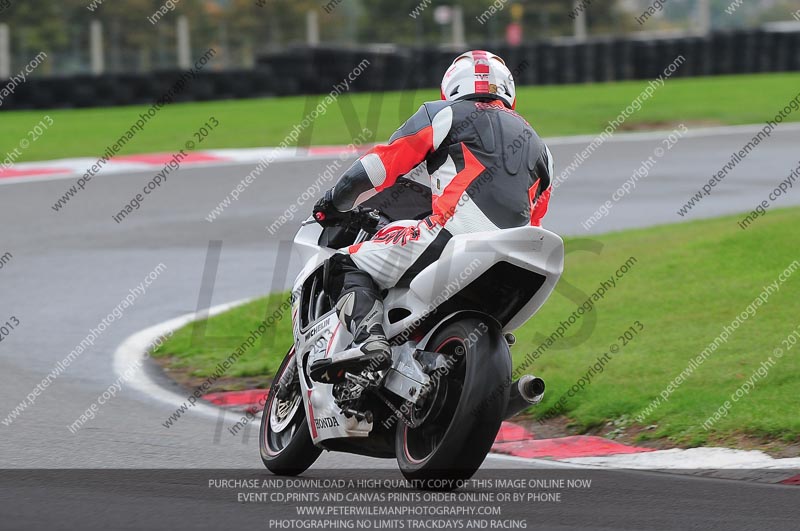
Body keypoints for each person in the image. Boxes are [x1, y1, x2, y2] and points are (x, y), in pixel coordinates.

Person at [309, 50, 554, 383]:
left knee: (342, 265)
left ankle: (370, 341)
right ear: (508, 91)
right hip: (519, 257)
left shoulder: (443, 113)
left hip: (453, 236)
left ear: (451, 86)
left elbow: (378, 167)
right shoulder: (542, 149)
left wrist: (334, 202)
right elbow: (535, 221)